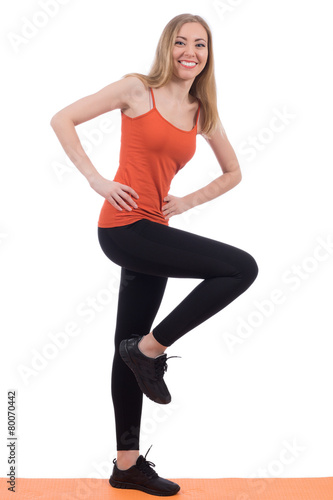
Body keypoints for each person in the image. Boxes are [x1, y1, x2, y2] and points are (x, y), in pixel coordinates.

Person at [50, 13, 259, 497]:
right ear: (168, 47)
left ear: (208, 55)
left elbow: (233, 173)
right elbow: (62, 118)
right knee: (240, 268)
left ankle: (127, 466)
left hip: (154, 230)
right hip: (124, 227)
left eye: (200, 45)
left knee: (126, 344)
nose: (191, 51)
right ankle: (150, 349)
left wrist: (186, 201)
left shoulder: (200, 110)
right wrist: (96, 179)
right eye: (182, 42)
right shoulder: (136, 89)